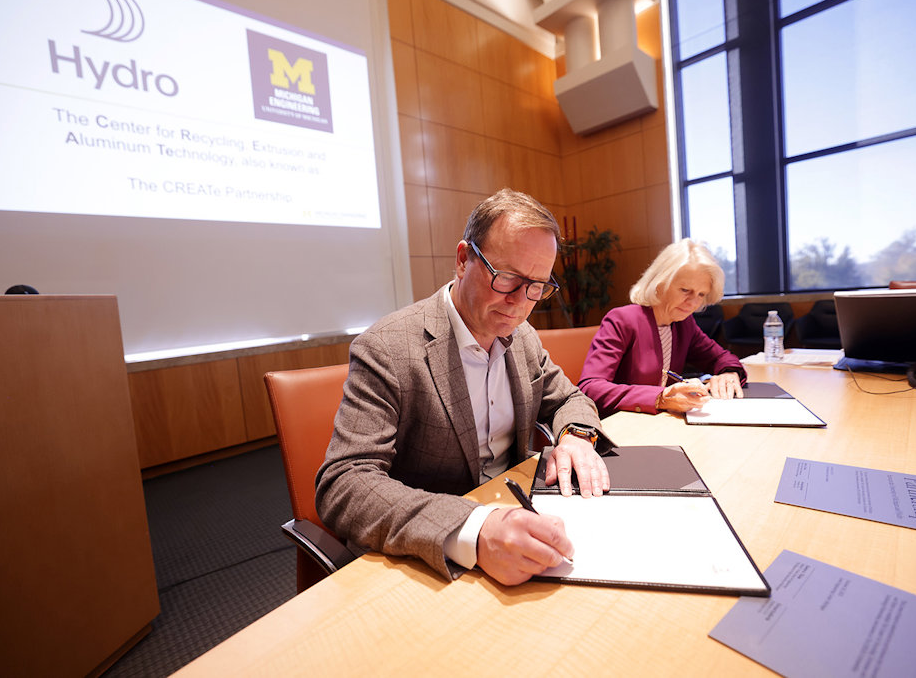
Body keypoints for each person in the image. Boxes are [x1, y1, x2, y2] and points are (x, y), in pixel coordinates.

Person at [316, 188, 610, 587]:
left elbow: (569, 398)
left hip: (518, 520)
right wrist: (473, 527)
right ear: (462, 260)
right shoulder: (387, 348)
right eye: (507, 278)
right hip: (436, 553)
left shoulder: (521, 337)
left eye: (537, 286)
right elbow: (344, 483)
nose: (520, 304)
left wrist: (575, 437)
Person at [579, 238, 746, 416]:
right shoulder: (623, 319)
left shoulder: (683, 324)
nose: (693, 303)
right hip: (620, 424)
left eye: (701, 294)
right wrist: (660, 397)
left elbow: (721, 357)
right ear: (660, 283)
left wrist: (729, 373)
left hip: (659, 422)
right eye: (685, 290)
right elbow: (590, 387)